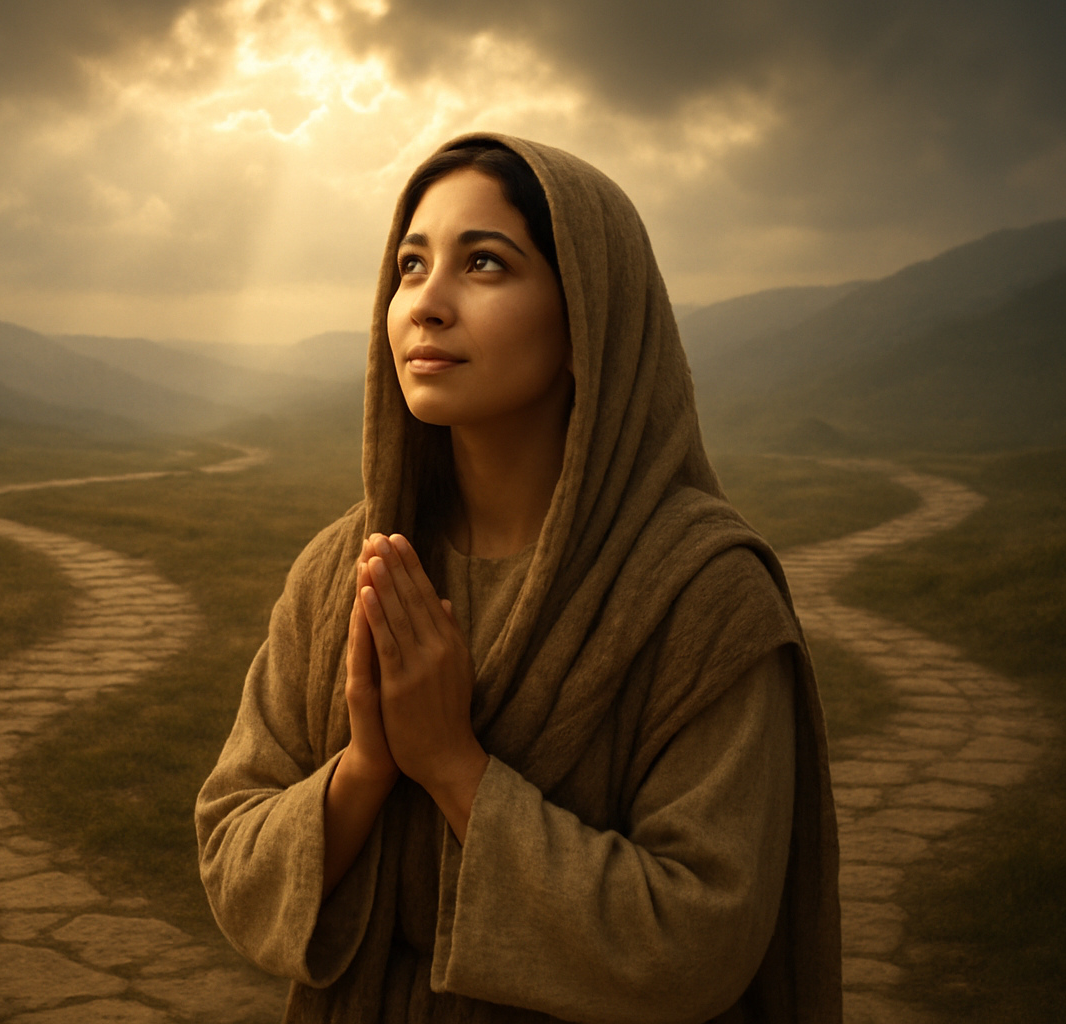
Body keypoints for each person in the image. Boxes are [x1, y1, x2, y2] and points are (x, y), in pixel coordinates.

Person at [196, 132, 841, 1023]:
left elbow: (695, 938)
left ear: (588, 319)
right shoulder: (342, 572)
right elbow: (231, 850)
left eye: (485, 263)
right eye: (411, 265)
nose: (426, 304)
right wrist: (367, 766)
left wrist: (452, 765)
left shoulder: (702, 596)